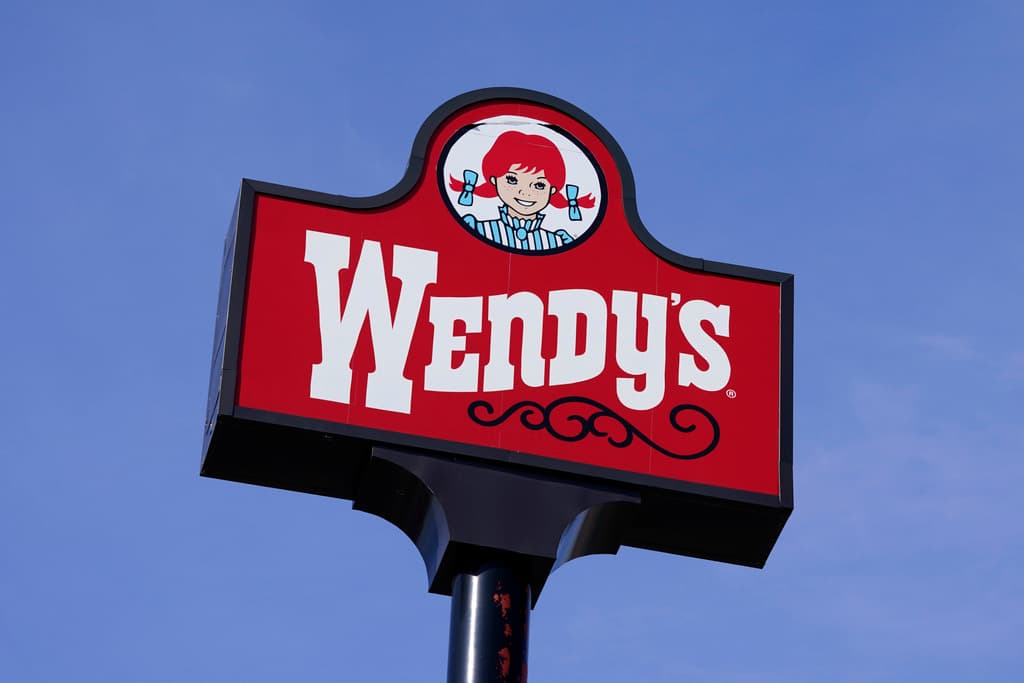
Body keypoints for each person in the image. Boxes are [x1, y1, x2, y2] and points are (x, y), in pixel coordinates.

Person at [450, 130, 595, 252]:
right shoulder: (478, 229)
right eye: (512, 180)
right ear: (494, 180)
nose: (525, 193)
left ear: (552, 190)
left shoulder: (558, 241)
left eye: (539, 185)